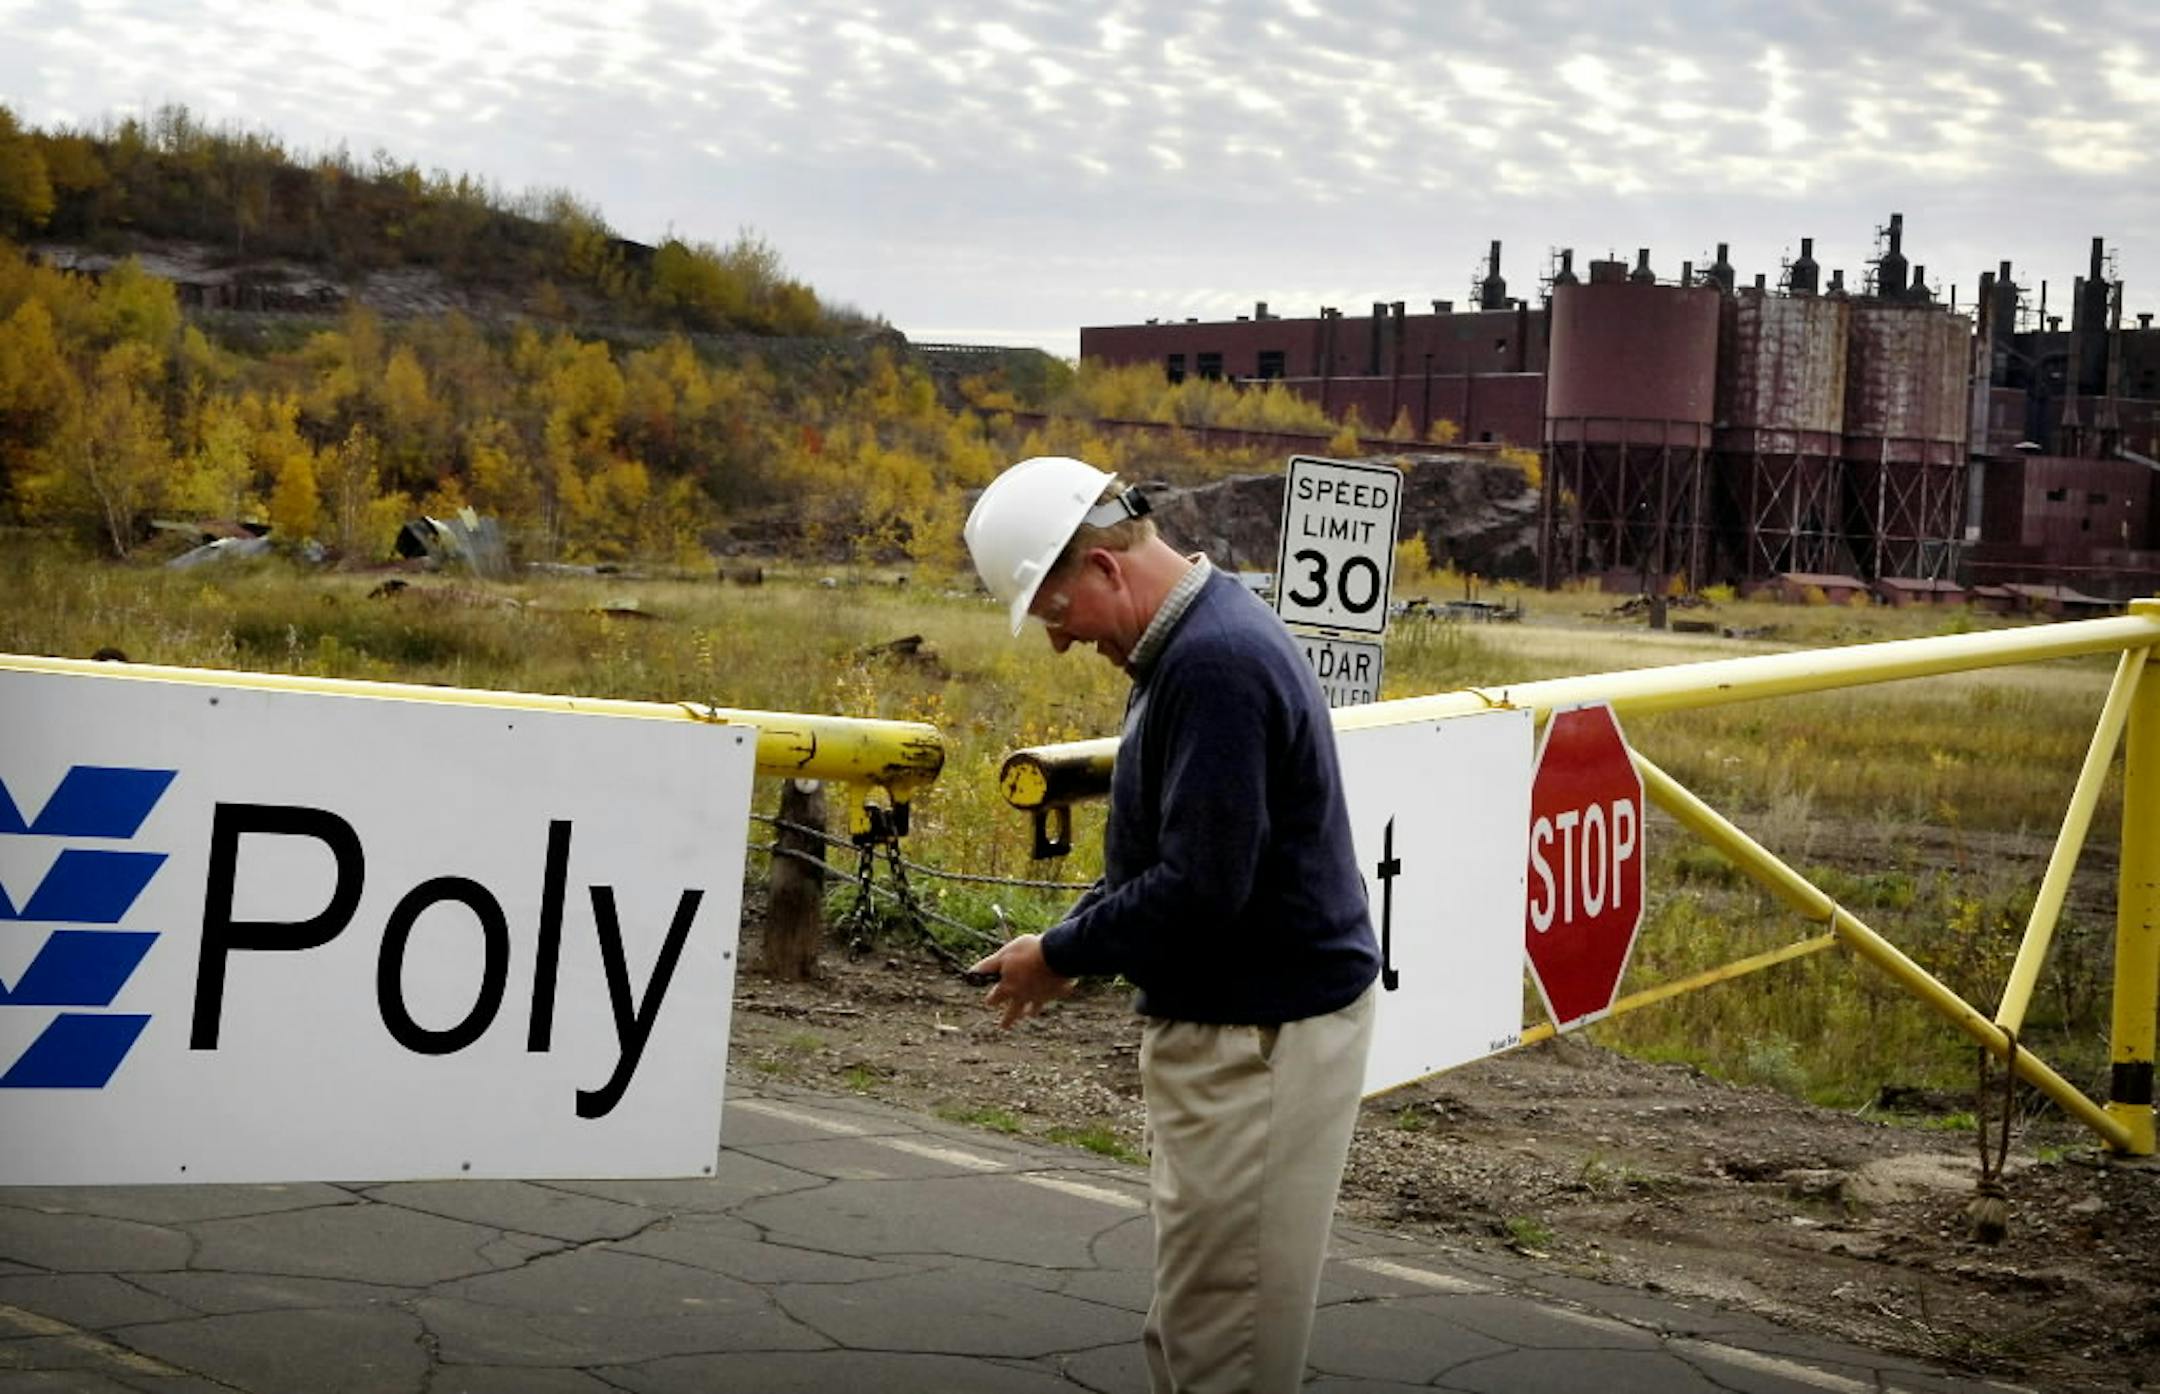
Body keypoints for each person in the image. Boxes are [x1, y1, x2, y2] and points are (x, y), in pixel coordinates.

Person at [963, 454, 1380, 1393]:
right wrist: (1073, 946)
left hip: (1256, 1040)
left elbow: (1200, 885)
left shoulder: (1213, 664)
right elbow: (1169, 858)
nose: (1062, 644)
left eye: (1055, 614)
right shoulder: (1195, 642)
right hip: (1252, 1027)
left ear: (1105, 569)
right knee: (1205, 1322)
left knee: (1221, 1349)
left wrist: (1062, 951)